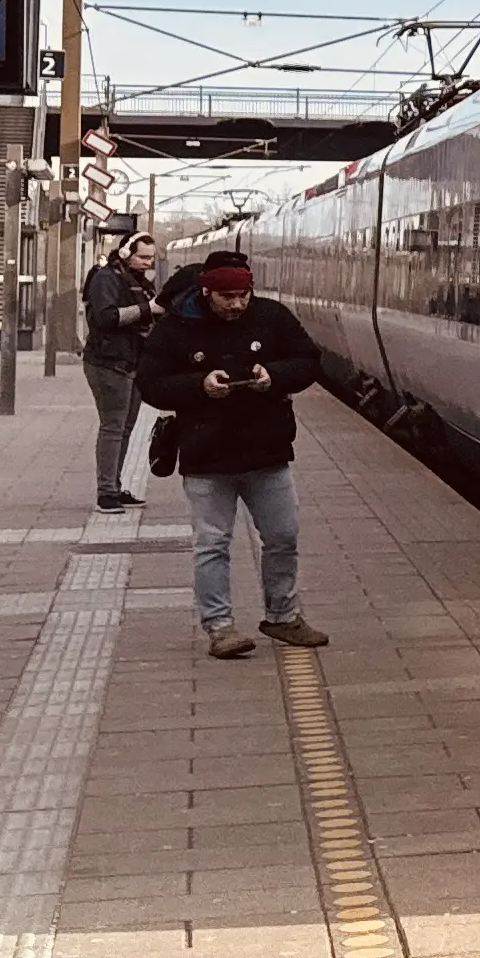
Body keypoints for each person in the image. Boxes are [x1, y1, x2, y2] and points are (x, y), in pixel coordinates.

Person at [136, 248, 329, 656]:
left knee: (282, 536)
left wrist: (274, 376)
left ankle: (283, 616)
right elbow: (150, 384)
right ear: (207, 292)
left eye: (244, 295)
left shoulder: (271, 317)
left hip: (267, 451)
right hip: (206, 455)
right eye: (228, 297)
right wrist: (199, 386)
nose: (237, 304)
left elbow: (309, 362)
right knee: (212, 543)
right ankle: (220, 627)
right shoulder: (175, 328)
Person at [81, 232, 162, 511]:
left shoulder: (138, 281)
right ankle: (106, 493)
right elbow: (106, 316)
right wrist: (147, 309)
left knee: (125, 427)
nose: (147, 263)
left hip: (132, 361)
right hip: (108, 362)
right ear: (126, 252)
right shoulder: (106, 278)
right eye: (142, 257)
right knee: (113, 427)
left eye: (151, 258)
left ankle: (114, 486)